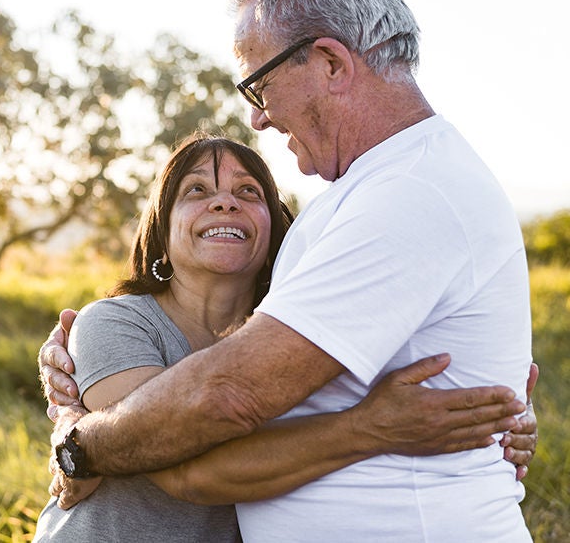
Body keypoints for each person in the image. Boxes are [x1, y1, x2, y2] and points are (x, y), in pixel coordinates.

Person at [39, 0, 536, 541]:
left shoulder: (410, 195)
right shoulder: (375, 191)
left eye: (258, 84)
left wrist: (80, 438)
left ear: (328, 62)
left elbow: (225, 396)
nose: (259, 117)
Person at [34, 131, 536, 542]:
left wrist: (505, 416)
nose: (225, 203)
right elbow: (177, 465)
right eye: (197, 191)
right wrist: (372, 426)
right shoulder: (115, 322)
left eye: (248, 192)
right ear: (162, 231)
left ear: (277, 229)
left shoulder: (298, 338)